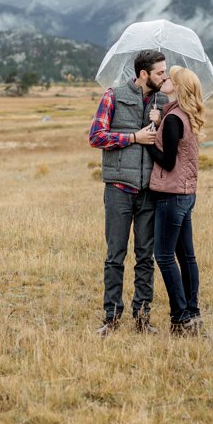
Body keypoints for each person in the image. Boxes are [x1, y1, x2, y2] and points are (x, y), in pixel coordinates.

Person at [88, 47, 166, 335]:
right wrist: (134, 137)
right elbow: (96, 137)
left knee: (146, 256)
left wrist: (158, 125)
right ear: (143, 74)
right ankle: (111, 317)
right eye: (160, 72)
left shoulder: (162, 101)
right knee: (115, 255)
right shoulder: (113, 96)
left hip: (149, 190)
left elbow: (168, 144)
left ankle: (143, 317)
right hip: (119, 189)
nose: (164, 76)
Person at [146, 63, 205, 335]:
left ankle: (180, 317)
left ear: (178, 88)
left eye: (171, 77)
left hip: (170, 195)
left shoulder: (173, 119)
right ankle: (193, 313)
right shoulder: (184, 115)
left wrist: (147, 143)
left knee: (165, 256)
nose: (166, 78)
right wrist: (158, 123)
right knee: (186, 256)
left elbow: (167, 162)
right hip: (186, 194)